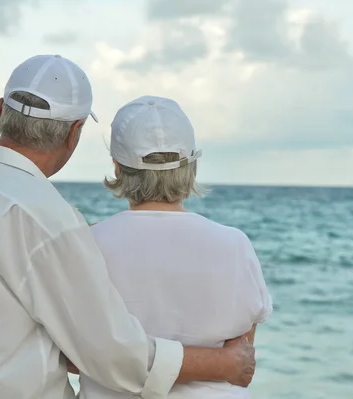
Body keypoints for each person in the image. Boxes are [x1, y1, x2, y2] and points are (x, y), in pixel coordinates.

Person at [0, 56, 256, 399]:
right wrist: (224, 364)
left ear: (1, 112)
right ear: (74, 133)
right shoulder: (46, 216)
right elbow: (113, 354)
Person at [72, 96, 273, 399]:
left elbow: (76, 355)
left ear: (118, 167)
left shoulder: (87, 244)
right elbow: (242, 362)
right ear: (192, 165)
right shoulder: (234, 244)